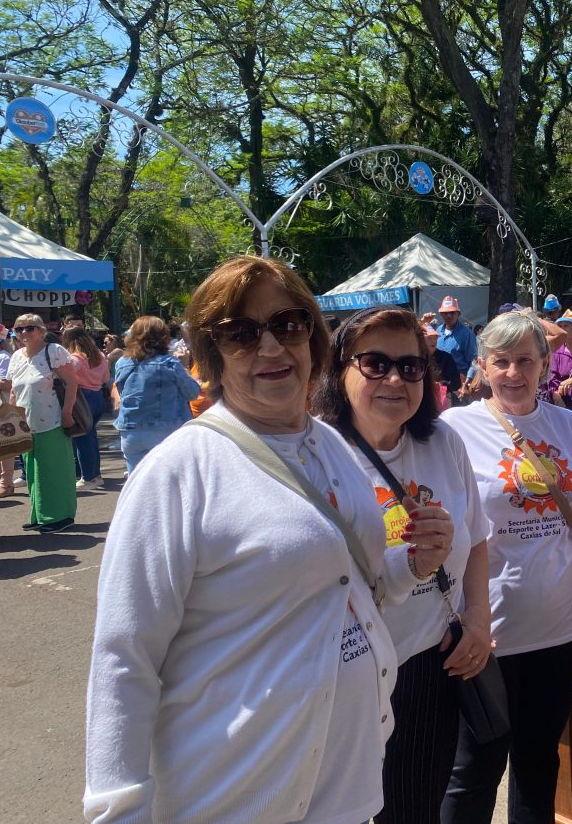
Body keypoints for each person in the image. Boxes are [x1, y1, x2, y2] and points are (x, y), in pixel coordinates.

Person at [84, 257, 436, 823]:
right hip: (237, 793)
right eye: (241, 334)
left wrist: (410, 567)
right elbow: (125, 656)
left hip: (345, 787)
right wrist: (118, 809)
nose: (271, 347)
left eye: (288, 324)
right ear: (211, 355)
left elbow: (354, 591)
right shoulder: (178, 472)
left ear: (313, 340)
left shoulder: (333, 448)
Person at [439, 310, 572, 824]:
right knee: (472, 773)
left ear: (546, 364)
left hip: (560, 632)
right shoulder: (453, 431)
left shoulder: (567, 425)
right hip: (488, 637)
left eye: (524, 360)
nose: (512, 373)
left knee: (538, 763)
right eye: (500, 362)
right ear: (482, 366)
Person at [311, 306, 485, 824]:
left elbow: (477, 541)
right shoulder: (315, 454)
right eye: (375, 363)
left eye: (410, 367)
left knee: (414, 812)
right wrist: (407, 562)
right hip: (343, 673)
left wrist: (479, 620)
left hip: (427, 664)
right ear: (341, 370)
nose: (395, 378)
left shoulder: (443, 443)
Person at [8, 313, 78, 533]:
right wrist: (12, 418)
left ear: (41, 330)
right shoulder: (17, 356)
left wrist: (67, 412)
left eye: (29, 328)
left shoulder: (54, 351)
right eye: (18, 329)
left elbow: (72, 383)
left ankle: (60, 516)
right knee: (32, 470)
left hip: (52, 420)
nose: (23, 333)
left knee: (53, 469)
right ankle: (40, 514)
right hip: (26, 424)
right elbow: (13, 390)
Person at [112, 316, 201, 474]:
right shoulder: (169, 363)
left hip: (130, 430)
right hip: (165, 429)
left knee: (137, 483)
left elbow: (121, 392)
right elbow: (192, 393)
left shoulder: (122, 363)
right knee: (168, 482)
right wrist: (185, 365)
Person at [61, 327, 110, 489]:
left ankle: (89, 476)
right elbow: (105, 378)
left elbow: (68, 380)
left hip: (82, 398)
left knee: (82, 439)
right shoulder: (100, 356)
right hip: (98, 397)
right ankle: (95, 474)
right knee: (91, 438)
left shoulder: (74, 359)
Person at [435, 296, 478, 394]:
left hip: (459, 382)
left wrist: (467, 382)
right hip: (439, 380)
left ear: (458, 314)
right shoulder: (437, 332)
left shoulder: (466, 334)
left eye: (452, 313)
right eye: (446, 313)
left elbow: (473, 360)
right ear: (441, 314)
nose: (449, 316)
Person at [0, 323, 16, 498]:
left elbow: (6, 383)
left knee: (4, 447)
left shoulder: (2, 357)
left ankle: (6, 483)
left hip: (1, 405)